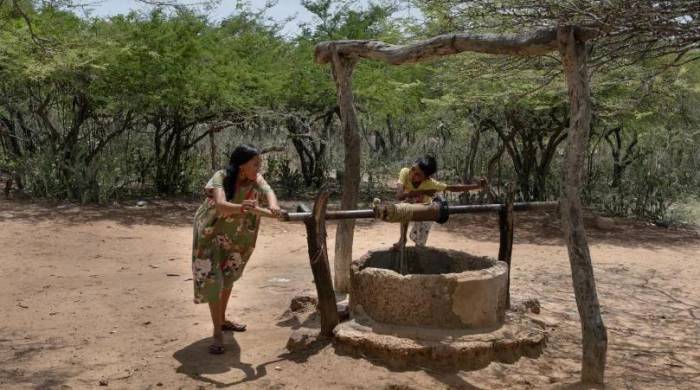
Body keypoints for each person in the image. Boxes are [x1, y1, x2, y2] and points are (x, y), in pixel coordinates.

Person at [191, 144, 281, 354]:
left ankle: (222, 320)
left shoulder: (254, 179)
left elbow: (268, 191)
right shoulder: (220, 177)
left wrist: (273, 206)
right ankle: (217, 332)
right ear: (242, 166)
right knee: (214, 279)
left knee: (229, 273)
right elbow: (221, 205)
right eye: (255, 164)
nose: (259, 167)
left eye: (259, 163)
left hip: (235, 233)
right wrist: (244, 208)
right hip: (211, 232)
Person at [393, 155, 487, 249]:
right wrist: (422, 192)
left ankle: (419, 253)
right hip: (411, 206)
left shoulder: (431, 183)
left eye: (418, 175)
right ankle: (402, 239)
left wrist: (477, 186)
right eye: (413, 169)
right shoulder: (405, 172)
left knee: (419, 241)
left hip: (425, 210)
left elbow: (453, 188)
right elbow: (399, 196)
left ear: (426, 178)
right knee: (404, 207)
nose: (413, 174)